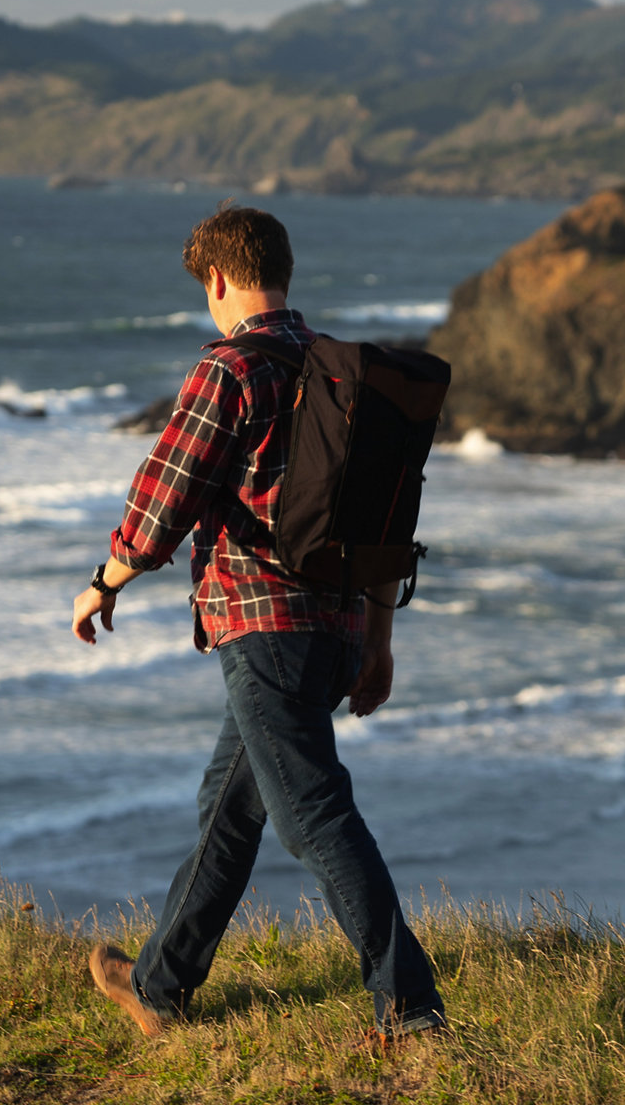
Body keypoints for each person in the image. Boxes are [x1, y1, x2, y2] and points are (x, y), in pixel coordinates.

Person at [72, 206, 446, 1039]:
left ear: (217, 280)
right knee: (230, 806)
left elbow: (164, 498)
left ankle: (411, 1008)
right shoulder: (338, 372)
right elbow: (389, 518)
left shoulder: (231, 368)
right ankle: (160, 986)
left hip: (263, 626)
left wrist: (103, 581)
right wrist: (377, 645)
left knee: (312, 815)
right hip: (339, 626)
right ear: (282, 268)